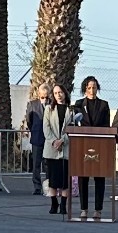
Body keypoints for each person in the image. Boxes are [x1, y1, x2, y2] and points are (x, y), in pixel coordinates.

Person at [72, 76, 110, 218]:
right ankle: (84, 208)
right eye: (89, 87)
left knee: (99, 177)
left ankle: (98, 209)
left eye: (94, 87)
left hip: (100, 144)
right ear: (85, 88)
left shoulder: (104, 105)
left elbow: (107, 126)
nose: (92, 90)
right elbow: (76, 123)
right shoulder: (79, 104)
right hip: (83, 144)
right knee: (83, 177)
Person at [42, 84, 71, 214]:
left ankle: (64, 205)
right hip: (52, 149)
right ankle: (54, 203)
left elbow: (72, 128)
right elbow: (46, 127)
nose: (58, 95)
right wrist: (54, 141)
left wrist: (62, 140)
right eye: (55, 93)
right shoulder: (49, 109)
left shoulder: (71, 110)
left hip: (65, 149)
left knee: (65, 180)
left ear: (65, 93)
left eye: (60, 92)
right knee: (53, 180)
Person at [24, 84, 48, 195]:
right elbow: (29, 120)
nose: (45, 99)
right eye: (43, 97)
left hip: (49, 140)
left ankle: (49, 185)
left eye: (47, 97)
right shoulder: (32, 104)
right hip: (37, 137)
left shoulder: (52, 104)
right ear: (39, 94)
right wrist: (34, 130)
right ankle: (37, 186)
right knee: (36, 164)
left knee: (48, 164)